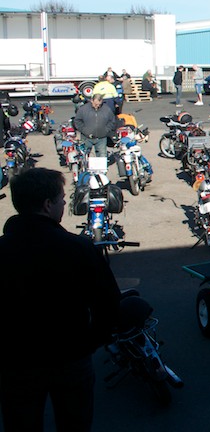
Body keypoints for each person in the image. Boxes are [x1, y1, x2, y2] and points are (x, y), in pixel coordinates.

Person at [0, 167, 120, 431]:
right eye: (62, 199)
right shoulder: (77, 248)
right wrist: (89, 343)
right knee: (74, 423)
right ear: (47, 205)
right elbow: (109, 304)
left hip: (15, 362)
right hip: (70, 358)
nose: (65, 204)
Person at [73, 93, 118, 158]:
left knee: (102, 156)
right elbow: (77, 121)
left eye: (99, 104)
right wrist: (84, 130)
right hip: (86, 137)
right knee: (84, 156)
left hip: (101, 138)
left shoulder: (107, 109)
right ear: (92, 100)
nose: (97, 106)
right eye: (96, 104)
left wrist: (106, 130)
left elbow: (112, 121)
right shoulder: (83, 109)